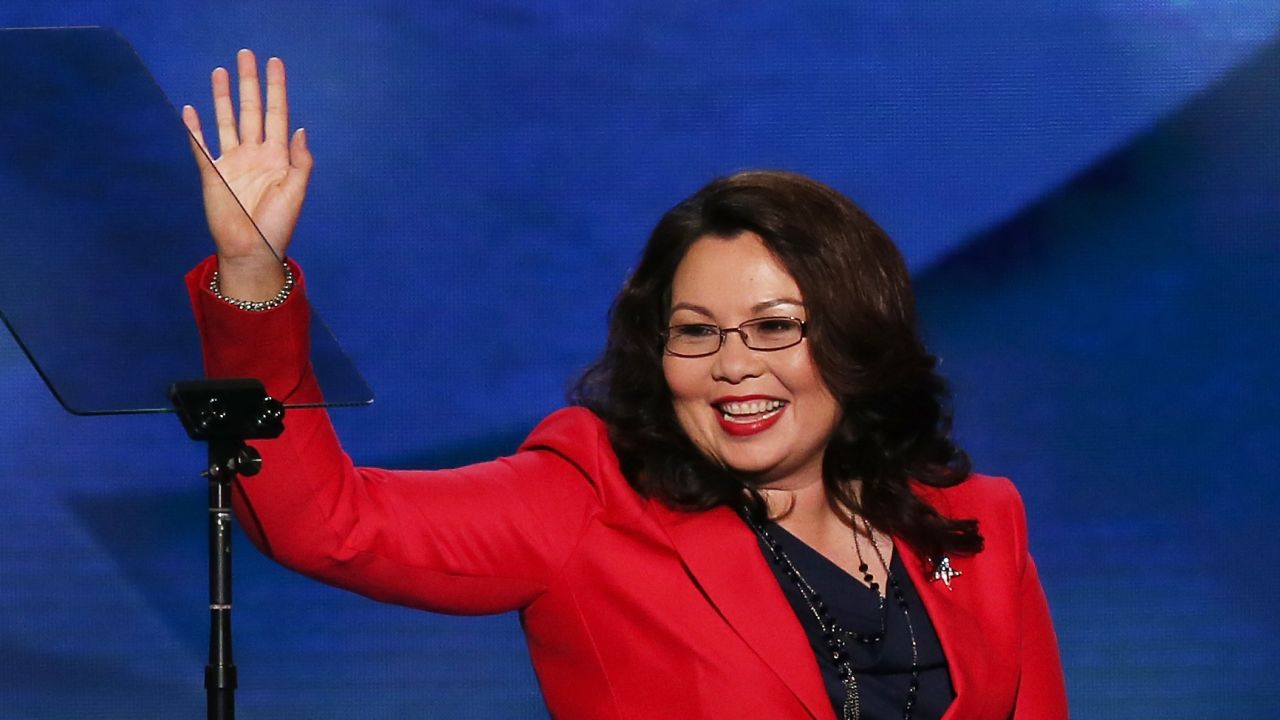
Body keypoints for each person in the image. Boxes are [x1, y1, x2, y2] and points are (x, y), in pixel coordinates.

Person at [182, 49, 1068, 720]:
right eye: (695, 332)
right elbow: (328, 525)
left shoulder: (979, 524)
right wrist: (252, 278)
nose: (732, 365)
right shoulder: (587, 499)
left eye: (773, 328)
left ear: (855, 340)